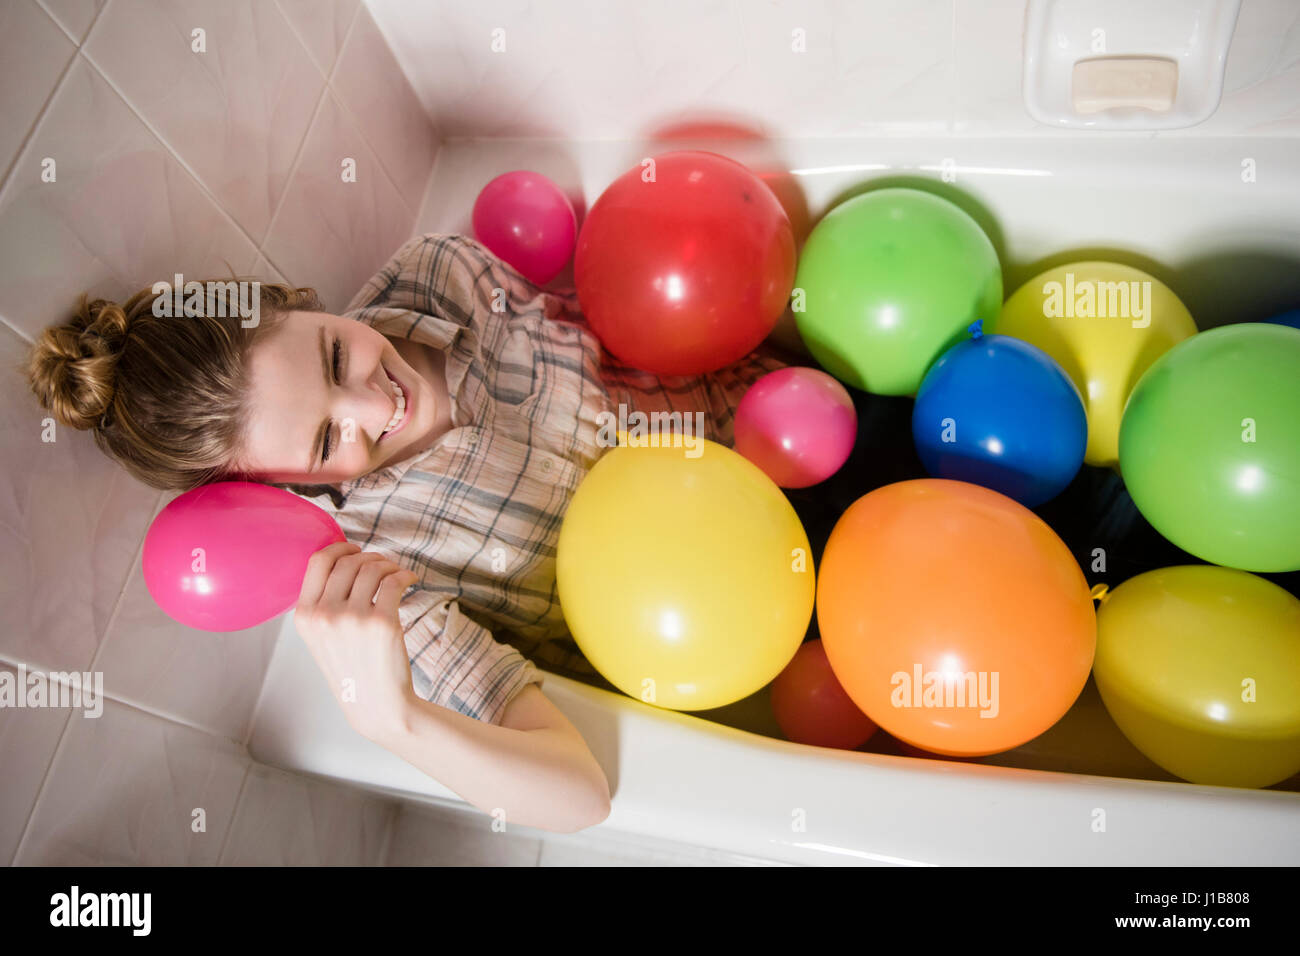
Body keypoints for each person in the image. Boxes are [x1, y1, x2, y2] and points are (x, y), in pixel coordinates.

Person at [24, 233, 800, 833]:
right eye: (327, 442)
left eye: (334, 356)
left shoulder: (437, 273)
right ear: (273, 486)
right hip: (749, 628)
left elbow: (615, 324)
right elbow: (578, 795)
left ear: (298, 300)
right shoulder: (381, 570)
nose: (374, 406)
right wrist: (389, 719)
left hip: (768, 406)